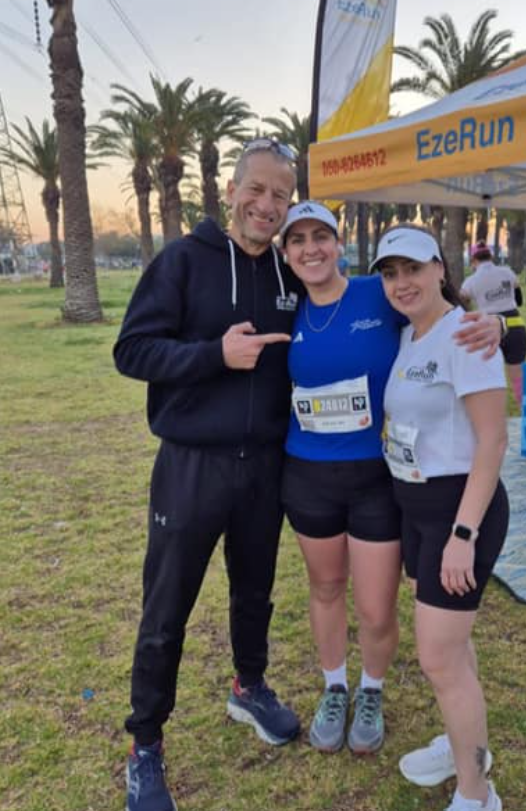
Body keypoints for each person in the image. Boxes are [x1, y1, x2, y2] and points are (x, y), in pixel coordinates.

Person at [113, 139, 304, 811]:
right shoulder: (183, 262)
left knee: (254, 593)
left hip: (265, 468)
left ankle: (248, 686)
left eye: (281, 195)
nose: (267, 205)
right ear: (231, 190)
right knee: (166, 610)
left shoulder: (289, 273)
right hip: (191, 466)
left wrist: (480, 324)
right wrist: (213, 355)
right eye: (257, 189)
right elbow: (132, 350)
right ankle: (145, 744)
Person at [278, 202, 505, 757]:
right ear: (285, 254)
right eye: (297, 240)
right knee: (325, 588)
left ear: (339, 244)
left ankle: (372, 692)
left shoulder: (377, 295)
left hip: (377, 480)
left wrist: (501, 325)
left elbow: (452, 321)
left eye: (321, 236)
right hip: (306, 474)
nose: (311, 249)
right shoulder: (280, 306)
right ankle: (335, 688)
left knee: (377, 608)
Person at [373, 225, 509, 811]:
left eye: (413, 269)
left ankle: (477, 794)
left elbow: (493, 441)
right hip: (415, 506)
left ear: (440, 270)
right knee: (452, 650)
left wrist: (463, 534)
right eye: (390, 273)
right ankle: (464, 748)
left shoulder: (466, 334)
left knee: (437, 658)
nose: (402, 282)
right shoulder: (409, 334)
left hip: (460, 513)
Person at [460, 242, 526, 407]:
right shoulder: (507, 272)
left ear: (473, 261)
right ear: (490, 257)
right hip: (515, 326)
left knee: (486, 382)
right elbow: (519, 299)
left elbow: (462, 301)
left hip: (488, 329)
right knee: (519, 380)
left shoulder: (471, 281)